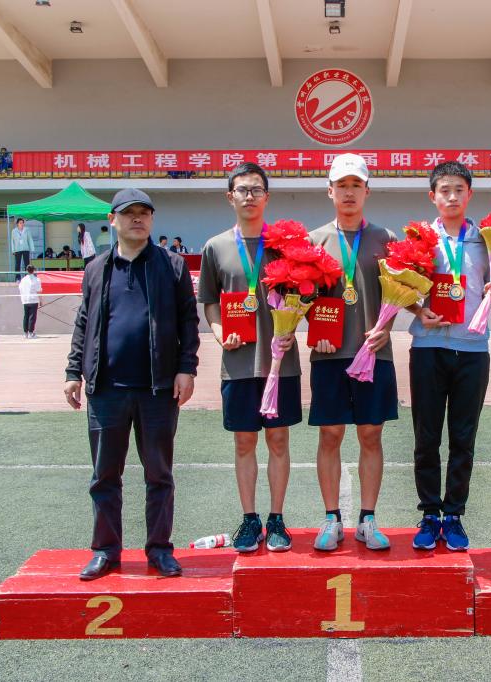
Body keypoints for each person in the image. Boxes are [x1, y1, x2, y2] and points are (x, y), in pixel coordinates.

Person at [64, 188, 200, 581]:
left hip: (158, 390)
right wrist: (73, 371)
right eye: (129, 213)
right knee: (105, 476)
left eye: (144, 212)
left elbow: (188, 321)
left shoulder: (171, 266)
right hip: (106, 390)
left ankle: (159, 550)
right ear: (113, 220)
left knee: (159, 475)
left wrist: (186, 368)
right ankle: (106, 551)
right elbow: (84, 322)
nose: (137, 219)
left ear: (152, 219)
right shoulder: (96, 268)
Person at [197, 162, 301, 553]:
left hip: (280, 362)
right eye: (242, 190)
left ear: (266, 197)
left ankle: (276, 519)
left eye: (256, 190)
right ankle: (249, 518)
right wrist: (218, 332)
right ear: (230, 197)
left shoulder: (286, 246)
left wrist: (294, 325)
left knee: (278, 439)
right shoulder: (216, 247)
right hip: (238, 362)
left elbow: (304, 294)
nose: (249, 196)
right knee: (244, 442)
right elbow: (209, 300)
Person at [407, 160, 491, 552]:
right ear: (433, 196)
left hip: (473, 350)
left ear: (469, 194)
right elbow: (401, 287)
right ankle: (430, 514)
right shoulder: (419, 239)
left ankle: (455, 515)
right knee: (427, 437)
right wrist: (417, 310)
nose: (452, 197)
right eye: (444, 190)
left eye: (459, 190)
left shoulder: (489, 241)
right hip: (428, 348)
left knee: (463, 438)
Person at [307, 154, 398, 552]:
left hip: (375, 353)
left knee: (371, 434)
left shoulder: (386, 239)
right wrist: (316, 331)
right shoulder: (313, 241)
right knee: (330, 434)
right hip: (329, 354)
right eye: (341, 185)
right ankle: (331, 518)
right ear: (330, 191)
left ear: (367, 191)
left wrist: (387, 327)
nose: (348, 192)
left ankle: (367, 519)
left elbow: (400, 293)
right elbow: (298, 297)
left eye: (355, 185)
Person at [18, 264, 42, 338]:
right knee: (32, 316)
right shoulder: (37, 279)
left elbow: (20, 289)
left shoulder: (23, 280)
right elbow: (39, 291)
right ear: (33, 270)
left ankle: (25, 333)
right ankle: (31, 333)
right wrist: (41, 300)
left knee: (26, 316)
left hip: (25, 300)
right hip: (33, 300)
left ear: (27, 271)